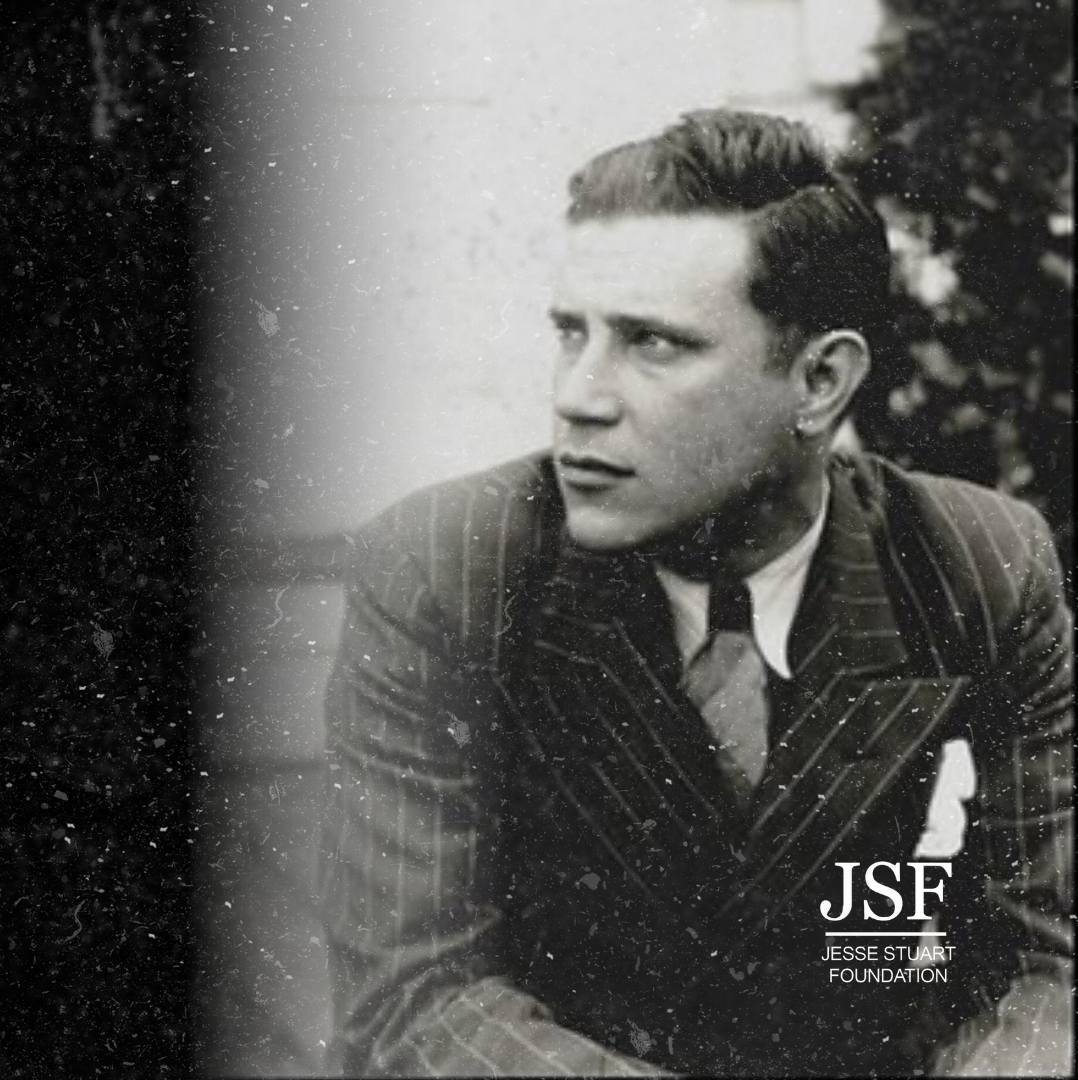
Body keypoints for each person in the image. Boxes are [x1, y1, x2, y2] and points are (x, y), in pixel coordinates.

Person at [320, 110, 1072, 1076]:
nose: (579, 397)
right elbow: (414, 999)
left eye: (654, 344)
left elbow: (1051, 962)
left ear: (820, 381)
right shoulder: (450, 567)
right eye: (571, 333)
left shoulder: (974, 565)